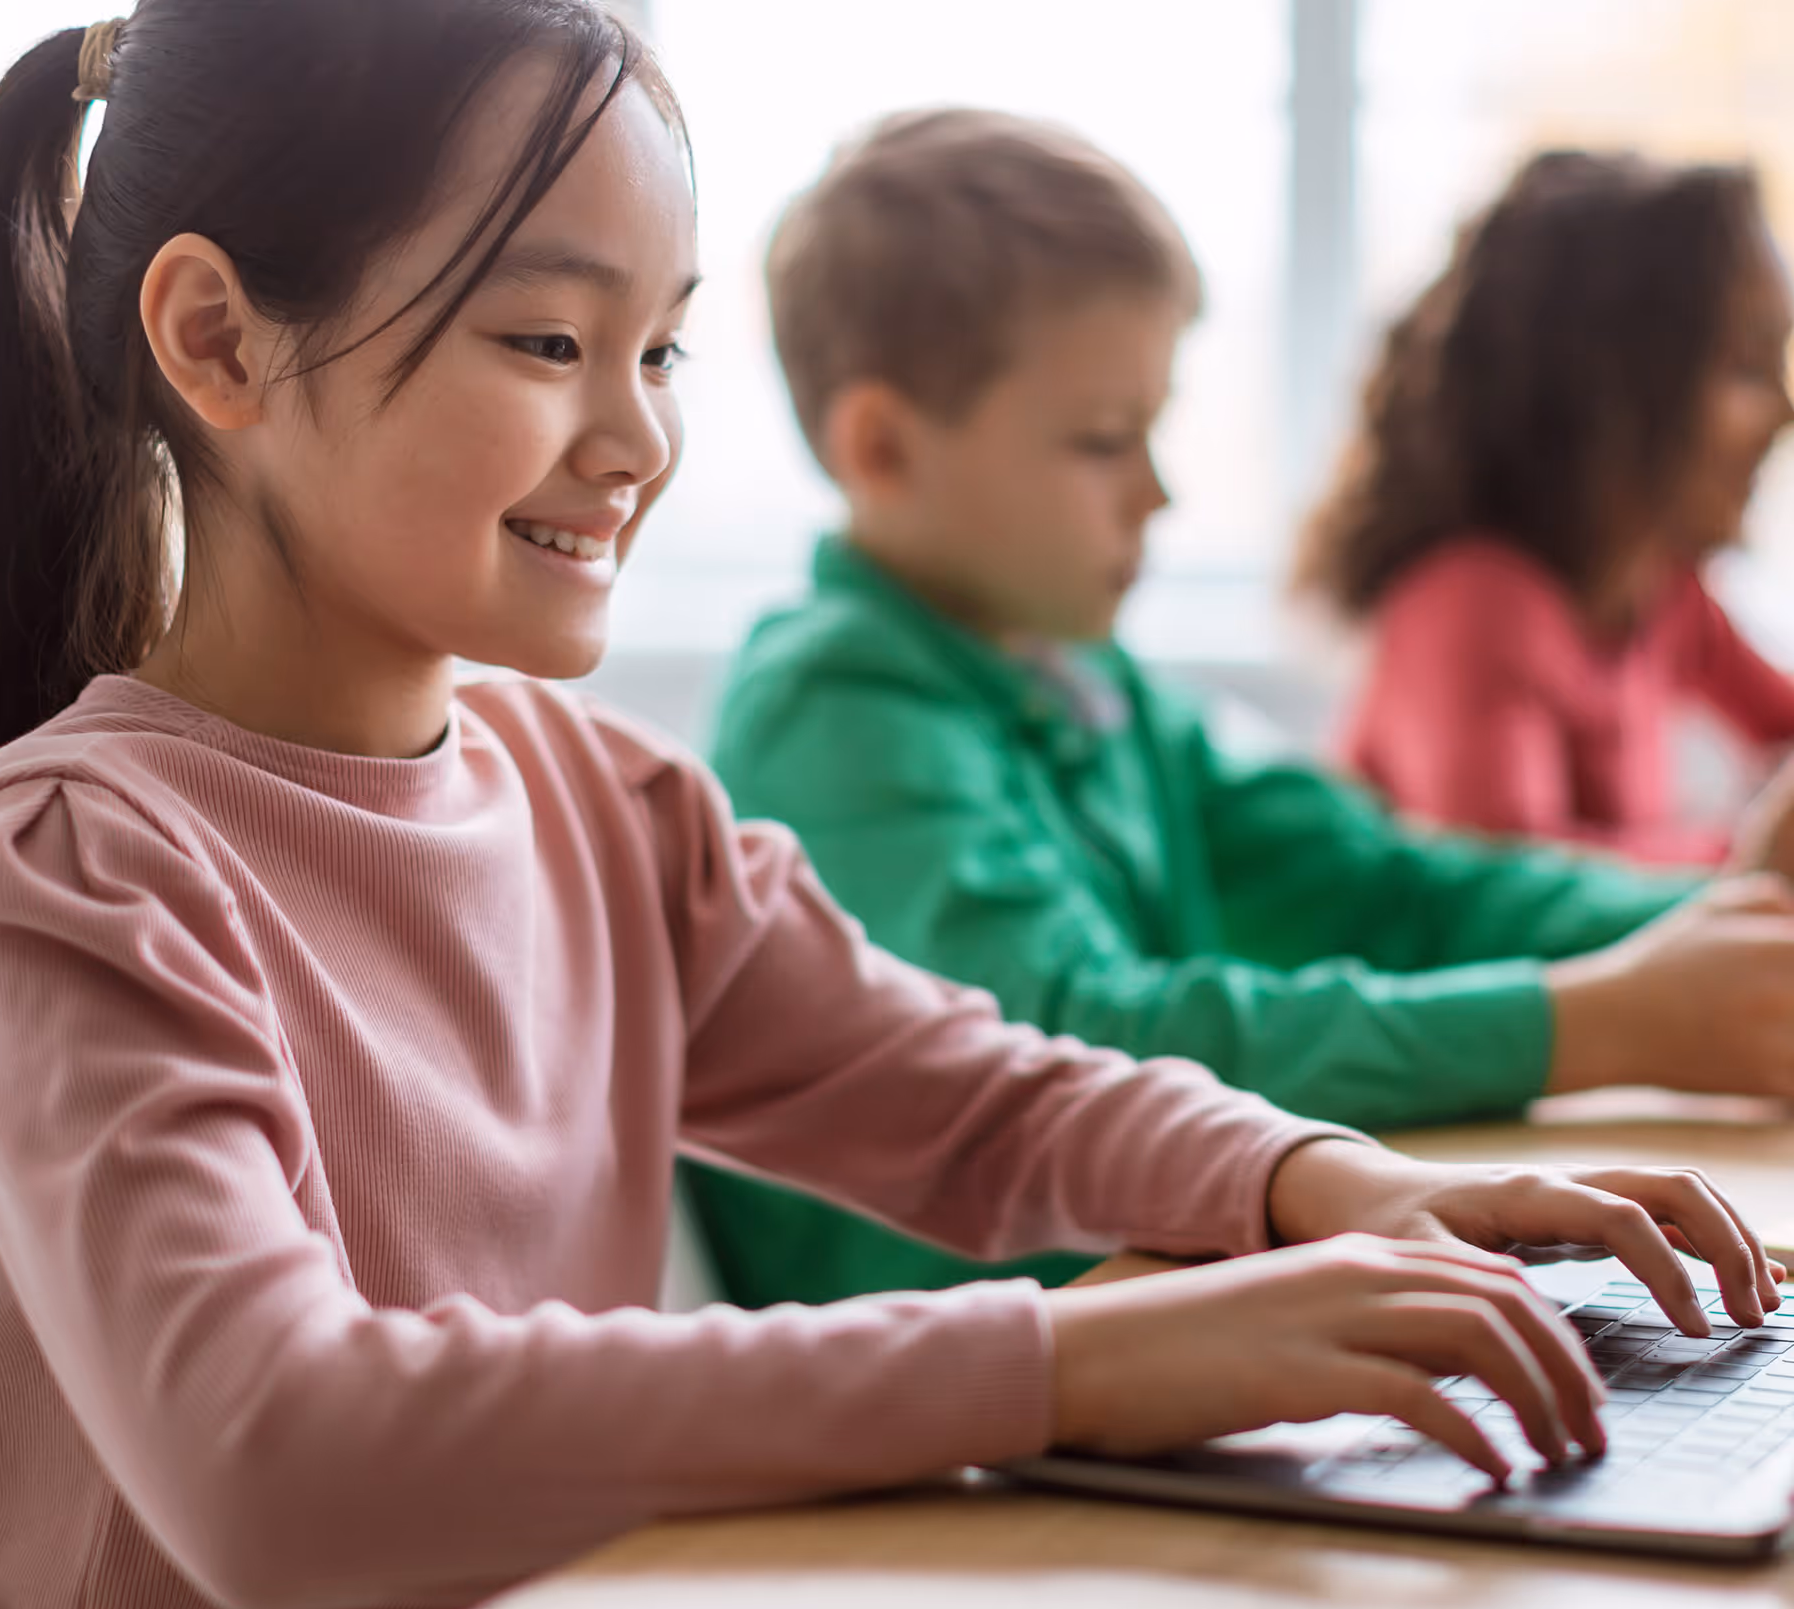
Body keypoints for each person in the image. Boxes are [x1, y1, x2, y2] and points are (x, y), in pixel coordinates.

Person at [0, 0, 1780, 1609]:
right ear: (216, 339)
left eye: (664, 353)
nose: (636, 438)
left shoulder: (606, 805)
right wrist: (1081, 1362)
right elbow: (273, 1464)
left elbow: (973, 1092)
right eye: (549, 337)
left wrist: (1320, 1187)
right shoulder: (74, 865)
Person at [693, 110, 1794, 1311]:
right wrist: (1582, 1024)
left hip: (1147, 1311)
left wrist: (1721, 921)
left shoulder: (1086, 680)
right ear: (882, 446)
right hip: (961, 1395)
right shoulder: (832, 704)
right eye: (1106, 441)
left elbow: (1390, 884)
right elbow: (1086, 1045)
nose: (1157, 492)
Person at [1299, 149, 1794, 863]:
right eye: (1746, 367)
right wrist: (1749, 859)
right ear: (1610, 388)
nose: (1783, 414)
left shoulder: (1662, 591)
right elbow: (1506, 892)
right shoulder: (1471, 605)